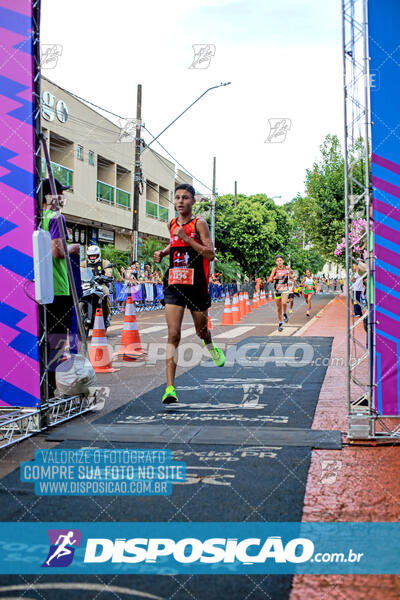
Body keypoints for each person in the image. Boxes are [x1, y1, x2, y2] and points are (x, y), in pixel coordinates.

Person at [154, 183, 225, 404]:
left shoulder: (199, 223)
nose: (181, 201)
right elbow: (173, 244)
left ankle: (209, 344)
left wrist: (187, 238)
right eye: (177, 198)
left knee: (201, 330)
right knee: (173, 334)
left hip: (196, 286)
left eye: (185, 197)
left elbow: (210, 254)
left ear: (193, 201)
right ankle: (170, 388)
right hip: (175, 284)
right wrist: (163, 253)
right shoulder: (171, 224)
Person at [42, 178, 80, 398]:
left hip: (39, 288)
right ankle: (50, 389)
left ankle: (40, 388)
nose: (62, 198)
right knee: (56, 341)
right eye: (58, 193)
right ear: (47, 195)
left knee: (42, 339)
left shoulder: (34, 218)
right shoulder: (57, 218)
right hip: (58, 288)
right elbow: (58, 251)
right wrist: (73, 247)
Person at [80, 245, 113, 326]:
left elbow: (108, 271)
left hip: (100, 284)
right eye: (90, 256)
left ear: (98, 255)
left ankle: (107, 314)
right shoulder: (84, 263)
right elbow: (78, 270)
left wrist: (106, 275)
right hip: (87, 284)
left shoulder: (105, 262)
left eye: (94, 256)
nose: (92, 257)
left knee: (106, 293)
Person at [267, 255, 290, 331]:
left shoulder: (286, 268)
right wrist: (274, 277)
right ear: (276, 262)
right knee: (279, 308)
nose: (279, 262)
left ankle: (285, 313)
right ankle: (280, 323)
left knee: (284, 302)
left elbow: (293, 273)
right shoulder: (275, 269)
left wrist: (290, 271)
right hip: (277, 290)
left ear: (283, 261)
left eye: (281, 260)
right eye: (278, 261)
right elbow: (269, 280)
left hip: (285, 289)